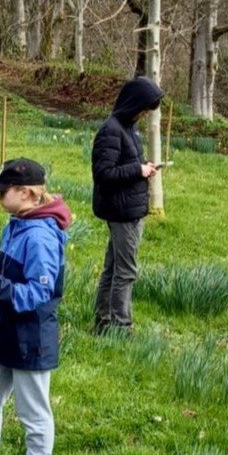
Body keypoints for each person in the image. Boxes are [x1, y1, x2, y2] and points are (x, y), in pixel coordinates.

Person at [0, 158, 70, 455]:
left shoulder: (39, 237)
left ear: (25, 193)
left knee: (32, 408)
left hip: (31, 340)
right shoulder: (16, 223)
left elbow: (38, 294)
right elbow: (4, 279)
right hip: (5, 333)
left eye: (3, 192)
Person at [91, 76, 164, 335]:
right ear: (133, 104)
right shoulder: (111, 130)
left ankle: (103, 322)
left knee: (113, 268)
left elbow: (127, 166)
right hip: (122, 213)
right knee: (125, 272)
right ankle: (121, 327)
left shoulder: (129, 128)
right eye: (144, 109)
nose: (145, 114)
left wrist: (145, 169)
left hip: (130, 209)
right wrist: (138, 170)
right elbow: (104, 174)